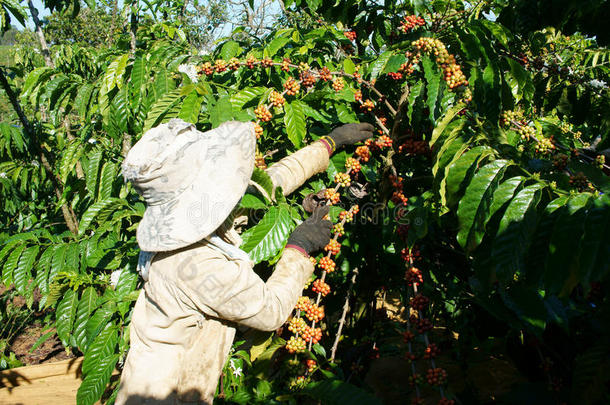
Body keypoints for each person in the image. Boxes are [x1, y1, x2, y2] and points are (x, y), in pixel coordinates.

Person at [115, 118, 374, 404]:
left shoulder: (190, 217)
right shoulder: (193, 263)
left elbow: (265, 187)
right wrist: (299, 247)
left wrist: (327, 144)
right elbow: (270, 310)